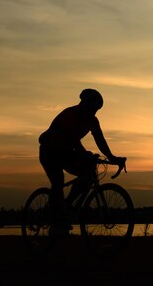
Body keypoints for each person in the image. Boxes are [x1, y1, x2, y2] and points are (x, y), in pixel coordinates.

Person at [38, 88, 124, 235]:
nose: (93, 112)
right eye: (92, 108)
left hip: (66, 152)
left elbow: (100, 141)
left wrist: (113, 158)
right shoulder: (70, 114)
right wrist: (85, 154)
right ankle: (56, 220)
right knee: (58, 181)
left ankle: (67, 205)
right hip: (50, 151)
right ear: (83, 103)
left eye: (96, 110)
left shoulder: (92, 120)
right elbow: (72, 139)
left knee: (88, 173)